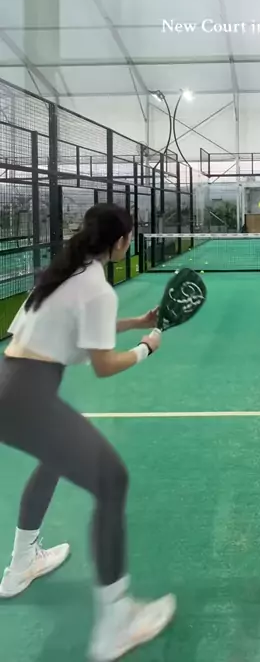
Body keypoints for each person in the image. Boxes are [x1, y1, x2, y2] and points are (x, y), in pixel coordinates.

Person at [0, 204, 175, 662]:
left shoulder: (61, 273)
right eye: (130, 237)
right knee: (112, 481)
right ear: (120, 242)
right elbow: (104, 365)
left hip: (7, 387)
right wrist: (146, 347)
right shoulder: (97, 287)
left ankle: (21, 565)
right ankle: (116, 623)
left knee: (54, 460)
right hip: (28, 399)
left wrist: (135, 322)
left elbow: (77, 323)